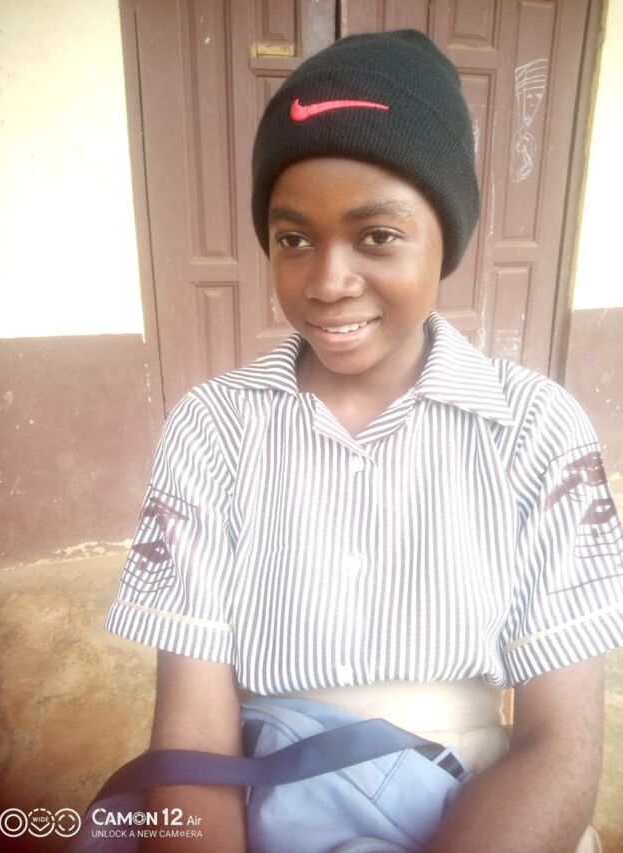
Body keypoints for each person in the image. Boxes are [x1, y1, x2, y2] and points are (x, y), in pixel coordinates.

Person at [105, 30, 623, 852]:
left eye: (377, 235)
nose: (327, 282)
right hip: (257, 803)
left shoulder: (534, 432)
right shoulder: (211, 430)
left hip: (479, 812)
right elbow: (194, 739)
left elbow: (559, 746)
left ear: (446, 236)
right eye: (293, 238)